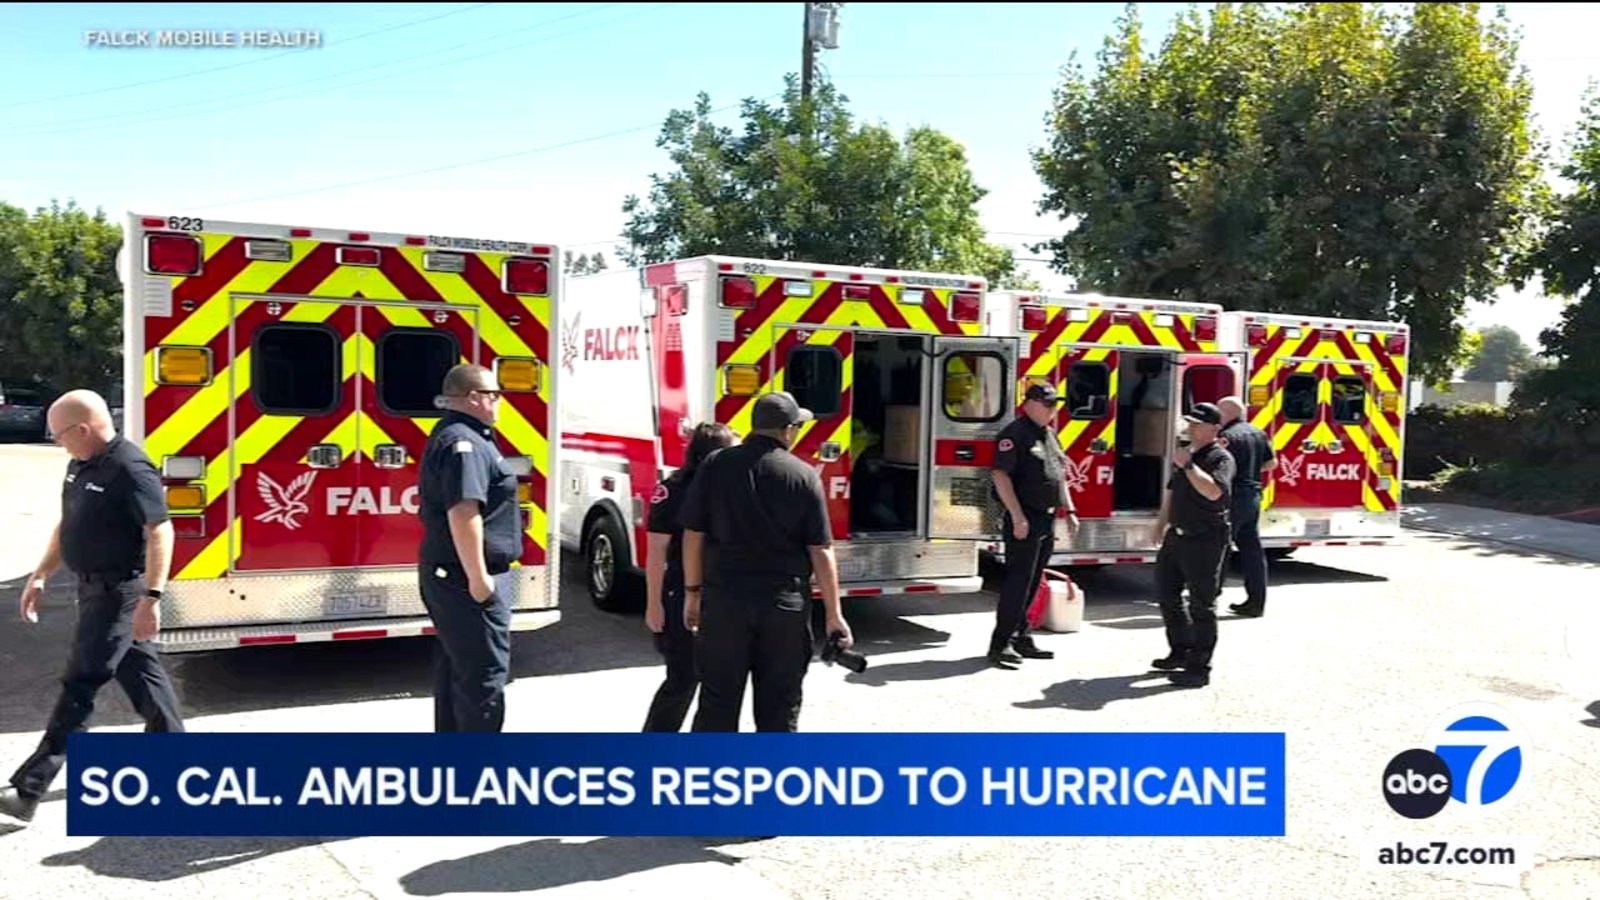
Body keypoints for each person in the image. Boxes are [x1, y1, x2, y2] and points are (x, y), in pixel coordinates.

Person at [0, 390, 185, 825]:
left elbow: (160, 530)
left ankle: (28, 789)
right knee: (141, 671)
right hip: (91, 589)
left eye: (60, 434)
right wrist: (41, 573)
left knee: (81, 683)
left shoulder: (130, 468)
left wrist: (151, 599)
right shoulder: (81, 464)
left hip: (119, 593)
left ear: (83, 429)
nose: (56, 443)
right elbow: (70, 523)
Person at [679, 392, 852, 732]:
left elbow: (693, 534)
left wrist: (692, 592)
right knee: (779, 705)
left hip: (725, 601)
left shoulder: (715, 465)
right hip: (783, 608)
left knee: (717, 702)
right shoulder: (803, 476)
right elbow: (821, 549)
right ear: (787, 430)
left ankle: (709, 779)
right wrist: (834, 614)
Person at [415, 364, 521, 732]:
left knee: (457, 672)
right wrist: (479, 580)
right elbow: (463, 511)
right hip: (466, 580)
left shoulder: (466, 436)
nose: (499, 401)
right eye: (494, 394)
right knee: (483, 678)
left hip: (454, 575)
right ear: (474, 397)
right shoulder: (466, 443)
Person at [641, 421, 738, 732]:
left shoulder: (731, 491)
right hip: (681, 592)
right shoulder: (674, 490)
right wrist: (653, 605)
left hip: (723, 594)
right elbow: (656, 551)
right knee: (682, 679)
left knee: (717, 684)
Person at [988, 383, 1080, 668]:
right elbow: (1000, 476)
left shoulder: (1049, 435)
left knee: (1033, 581)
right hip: (1025, 518)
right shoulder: (1014, 435)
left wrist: (1071, 509)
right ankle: (1000, 643)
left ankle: (1022, 637)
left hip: (1046, 518)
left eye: (1055, 405)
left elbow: (1060, 475)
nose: (1054, 410)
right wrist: (1017, 516)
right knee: (1018, 582)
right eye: (1048, 404)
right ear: (1029, 403)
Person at [1149, 402, 1237, 688]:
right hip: (1178, 536)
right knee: (1167, 596)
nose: (1192, 428)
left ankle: (1199, 668)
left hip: (1205, 539)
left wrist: (1188, 465)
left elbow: (1213, 492)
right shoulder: (1191, 454)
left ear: (1214, 428)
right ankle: (1180, 650)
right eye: (1190, 423)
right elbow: (1173, 493)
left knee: (1202, 605)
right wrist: (1161, 524)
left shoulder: (1219, 458)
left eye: (1198, 424)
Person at [1217, 396, 1276, 617]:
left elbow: (1221, 469)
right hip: (1253, 495)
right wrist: (1250, 471)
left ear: (1227, 413)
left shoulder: (1226, 437)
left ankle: (1208, 599)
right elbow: (1272, 463)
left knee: (1218, 547)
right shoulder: (1257, 432)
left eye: (1219, 411)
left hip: (1233, 497)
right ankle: (1256, 602)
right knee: (1252, 551)